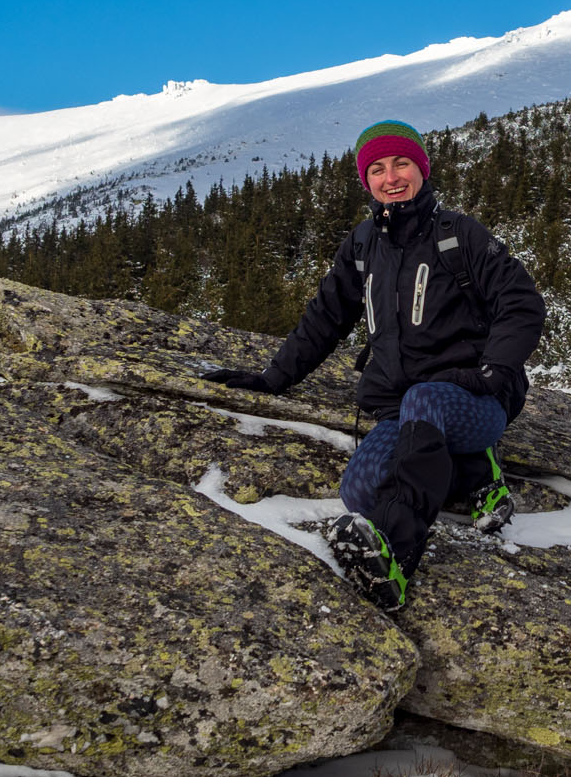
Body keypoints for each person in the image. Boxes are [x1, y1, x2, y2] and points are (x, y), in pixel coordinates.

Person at [202, 119, 544, 613]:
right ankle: (475, 472)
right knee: (358, 487)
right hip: (402, 411)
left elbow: (522, 304)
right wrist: (272, 379)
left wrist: (493, 372)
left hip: (474, 400)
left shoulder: (459, 236)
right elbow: (325, 317)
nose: (392, 178)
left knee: (424, 400)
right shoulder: (364, 244)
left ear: (421, 169)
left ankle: (396, 560)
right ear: (367, 181)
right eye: (377, 169)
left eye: (402, 163)